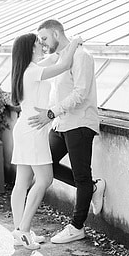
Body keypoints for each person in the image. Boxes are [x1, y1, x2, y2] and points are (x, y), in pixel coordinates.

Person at [28, 19, 106, 244]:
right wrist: (51, 114)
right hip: (61, 124)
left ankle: (77, 226)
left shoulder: (82, 56)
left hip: (80, 123)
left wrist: (51, 113)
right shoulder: (62, 57)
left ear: (55, 33)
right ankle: (92, 187)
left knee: (81, 175)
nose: (42, 43)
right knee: (47, 164)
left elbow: (81, 93)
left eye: (44, 38)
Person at [10, 33, 82, 249]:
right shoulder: (33, 72)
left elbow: (53, 59)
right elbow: (64, 64)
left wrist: (61, 46)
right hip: (33, 131)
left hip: (25, 128)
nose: (41, 45)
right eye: (37, 43)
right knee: (44, 179)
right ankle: (23, 230)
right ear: (30, 49)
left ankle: (19, 230)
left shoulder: (26, 69)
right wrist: (76, 42)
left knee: (22, 181)